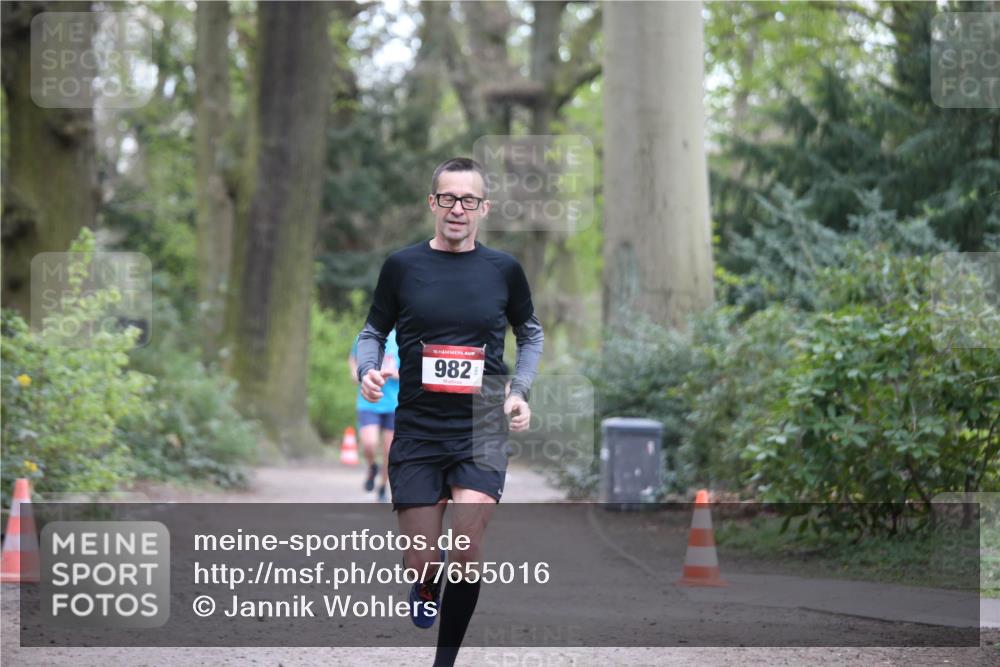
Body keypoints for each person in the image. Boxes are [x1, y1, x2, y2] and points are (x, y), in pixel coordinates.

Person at [355, 157, 543, 667]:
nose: (456, 209)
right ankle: (424, 581)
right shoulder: (402, 266)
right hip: (416, 426)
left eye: (468, 200)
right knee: (421, 560)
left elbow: (530, 333)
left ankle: (445, 662)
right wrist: (368, 369)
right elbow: (373, 331)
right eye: (447, 198)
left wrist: (519, 391)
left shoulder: (503, 269)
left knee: (464, 544)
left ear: (483, 208)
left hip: (482, 423)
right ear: (432, 203)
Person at [349, 329, 399, 502]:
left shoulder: (402, 338)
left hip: (393, 403)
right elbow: (354, 358)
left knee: (389, 450)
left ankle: (382, 487)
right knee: (369, 443)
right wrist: (356, 372)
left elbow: (412, 370)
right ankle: (372, 467)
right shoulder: (365, 336)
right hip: (368, 401)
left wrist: (395, 374)